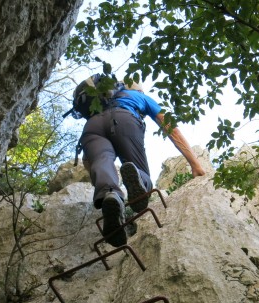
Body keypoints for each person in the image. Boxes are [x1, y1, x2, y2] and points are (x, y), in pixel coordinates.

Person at [80, 81, 206, 247]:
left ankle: (110, 194)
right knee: (138, 169)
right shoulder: (139, 96)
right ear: (138, 89)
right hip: (123, 119)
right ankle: (139, 178)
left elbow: (87, 160)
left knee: (102, 160)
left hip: (91, 128)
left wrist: (97, 181)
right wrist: (195, 164)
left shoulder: (99, 103)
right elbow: (170, 127)